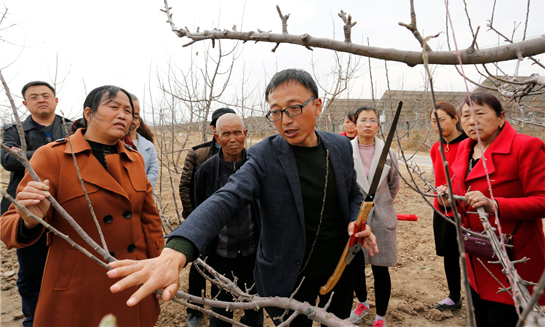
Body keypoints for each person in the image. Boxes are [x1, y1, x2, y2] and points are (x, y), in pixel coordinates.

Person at [108, 69, 378, 327]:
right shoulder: (265, 155)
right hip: (290, 275)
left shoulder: (339, 146)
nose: (285, 120)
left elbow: (352, 192)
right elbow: (226, 198)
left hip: (339, 269)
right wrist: (177, 250)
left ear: (317, 106)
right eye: (275, 112)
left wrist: (357, 220)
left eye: (294, 108)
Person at [0, 86, 165, 327]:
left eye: (128, 111)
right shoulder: (52, 156)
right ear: (88, 113)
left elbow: (150, 222)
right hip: (80, 286)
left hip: (132, 278)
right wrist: (30, 220)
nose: (123, 115)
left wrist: (159, 268)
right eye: (114, 107)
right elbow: (8, 224)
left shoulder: (134, 158)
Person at [437, 93, 545, 326]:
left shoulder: (525, 146)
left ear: (501, 118)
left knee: (504, 318)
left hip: (512, 256)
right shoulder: (465, 149)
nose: (471, 120)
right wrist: (448, 199)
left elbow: (542, 200)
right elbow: (461, 195)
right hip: (478, 256)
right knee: (481, 315)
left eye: (480, 113)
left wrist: (495, 204)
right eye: (466, 115)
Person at [0, 81, 71, 327]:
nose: (41, 100)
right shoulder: (14, 129)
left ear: (55, 100)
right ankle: (35, 319)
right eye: (34, 97)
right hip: (29, 209)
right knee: (32, 269)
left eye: (45, 95)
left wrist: (29, 154)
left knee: (70, 265)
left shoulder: (72, 127)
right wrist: (54, 153)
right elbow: (9, 159)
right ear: (25, 103)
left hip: (68, 207)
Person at [193, 113, 263, 327]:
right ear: (216, 136)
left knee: (253, 307)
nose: (232, 138)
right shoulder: (205, 171)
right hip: (220, 255)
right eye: (226, 134)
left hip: (252, 252)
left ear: (245, 134)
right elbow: (200, 212)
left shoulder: (258, 167)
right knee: (221, 311)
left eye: (237, 132)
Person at [178, 106, 235, 327]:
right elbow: (185, 186)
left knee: (224, 268)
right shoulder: (198, 153)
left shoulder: (241, 153)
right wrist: (194, 220)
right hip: (202, 222)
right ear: (215, 130)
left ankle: (224, 305)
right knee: (199, 266)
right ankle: (195, 310)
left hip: (228, 225)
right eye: (223, 127)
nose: (229, 134)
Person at [349, 106, 400, 327]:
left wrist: (382, 203)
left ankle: (380, 316)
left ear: (378, 125)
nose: (368, 124)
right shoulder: (345, 150)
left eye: (373, 120)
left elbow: (393, 185)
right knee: (355, 266)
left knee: (381, 270)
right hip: (356, 219)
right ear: (355, 124)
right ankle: (362, 303)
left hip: (382, 217)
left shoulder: (389, 152)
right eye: (363, 120)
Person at [429, 101, 467, 311]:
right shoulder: (436, 147)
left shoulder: (469, 144)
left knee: (470, 254)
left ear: (455, 118)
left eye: (442, 120)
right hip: (442, 208)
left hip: (464, 209)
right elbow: (437, 178)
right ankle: (454, 296)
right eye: (433, 122)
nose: (437, 125)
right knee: (450, 254)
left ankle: (476, 296)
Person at [127, 94, 159, 189]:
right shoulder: (112, 143)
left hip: (145, 196)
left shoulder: (148, 146)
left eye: (136, 117)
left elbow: (153, 172)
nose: (132, 120)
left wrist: (141, 190)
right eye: (128, 114)